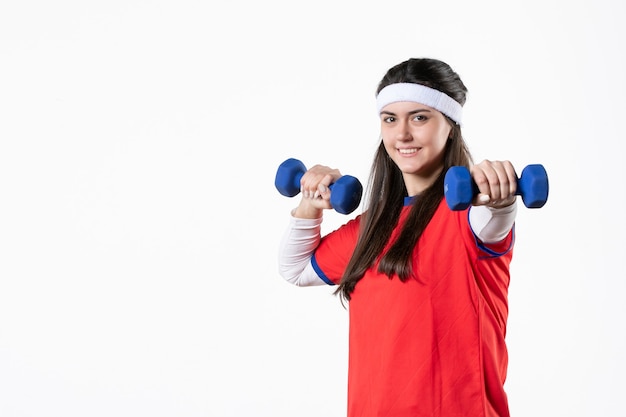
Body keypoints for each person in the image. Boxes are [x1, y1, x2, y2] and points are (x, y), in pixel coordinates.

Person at [278, 57, 519, 417]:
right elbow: (295, 268)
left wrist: (500, 194)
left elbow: (495, 214)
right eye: (390, 119)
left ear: (450, 126)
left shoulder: (470, 217)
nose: (402, 134)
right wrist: (309, 205)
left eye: (419, 117)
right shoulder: (371, 230)